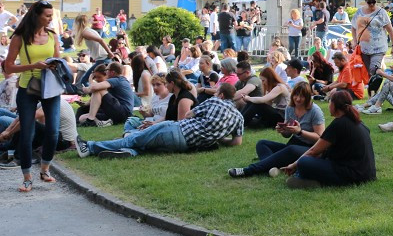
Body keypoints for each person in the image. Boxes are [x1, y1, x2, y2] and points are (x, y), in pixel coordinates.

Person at [76, 83, 244, 159]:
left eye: (216, 93)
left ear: (221, 95)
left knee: (134, 138)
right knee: (146, 145)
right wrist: (218, 136)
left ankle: (89, 147)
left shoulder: (214, 101)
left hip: (177, 130)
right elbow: (237, 142)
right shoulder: (239, 118)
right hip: (187, 146)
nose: (215, 95)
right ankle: (130, 152)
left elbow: (188, 115)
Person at [2, 0, 63, 192]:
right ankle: (27, 177)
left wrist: (56, 64)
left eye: (51, 15)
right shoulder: (20, 36)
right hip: (28, 88)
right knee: (27, 133)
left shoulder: (52, 35)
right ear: (36, 15)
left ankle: (45, 169)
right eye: (47, 15)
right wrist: (33, 66)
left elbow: (58, 59)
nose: (50, 18)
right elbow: (8, 66)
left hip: (50, 87)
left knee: (53, 131)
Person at [229, 81, 326, 178]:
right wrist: (284, 131)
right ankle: (271, 167)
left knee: (290, 149)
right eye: (296, 95)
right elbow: (287, 135)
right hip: (293, 143)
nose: (298, 99)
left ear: (308, 97)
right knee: (262, 143)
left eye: (302, 96)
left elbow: (320, 138)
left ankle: (248, 170)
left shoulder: (315, 111)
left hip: (309, 148)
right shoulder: (290, 108)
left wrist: (300, 132)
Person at [352, 0, 393, 80]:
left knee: (374, 68)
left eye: (374, 2)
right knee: (368, 73)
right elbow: (353, 27)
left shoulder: (381, 12)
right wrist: (354, 41)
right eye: (369, 2)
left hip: (378, 47)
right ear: (365, 1)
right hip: (363, 48)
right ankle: (373, 92)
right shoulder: (359, 12)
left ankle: (388, 77)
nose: (371, 4)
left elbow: (390, 30)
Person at [80, 62, 136, 127]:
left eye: (107, 70)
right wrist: (85, 104)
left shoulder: (116, 80)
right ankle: (101, 123)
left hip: (123, 113)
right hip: (117, 112)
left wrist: (89, 81)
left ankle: (90, 120)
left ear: (112, 72)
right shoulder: (119, 80)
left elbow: (94, 88)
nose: (105, 72)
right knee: (82, 118)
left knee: (98, 90)